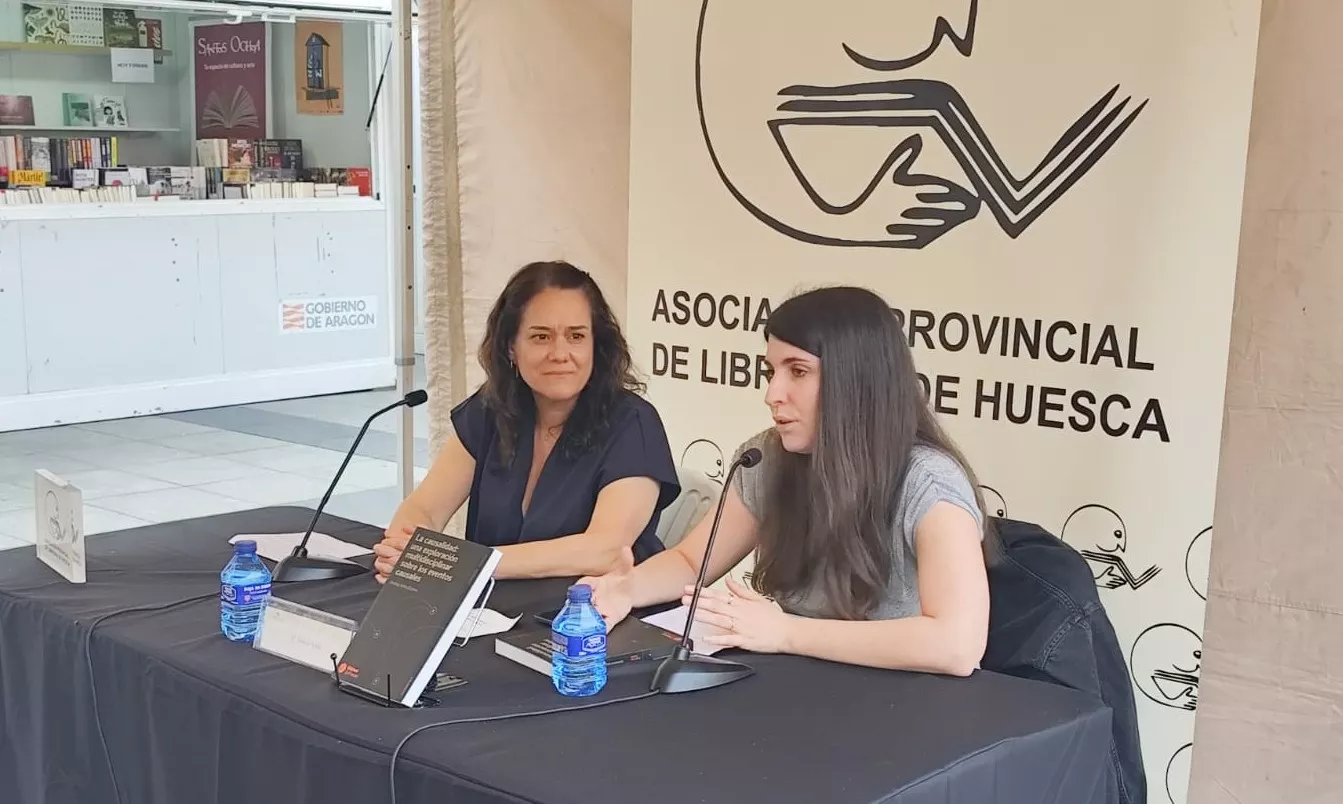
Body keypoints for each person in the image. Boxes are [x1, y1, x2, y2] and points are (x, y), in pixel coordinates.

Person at [580, 286, 996, 676]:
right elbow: (692, 562)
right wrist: (626, 589)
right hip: (798, 686)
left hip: (896, 708)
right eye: (771, 371)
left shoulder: (930, 481)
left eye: (797, 371)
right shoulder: (768, 456)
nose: (772, 392)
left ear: (856, 382)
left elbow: (957, 644)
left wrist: (784, 633)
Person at [373, 260, 682, 582]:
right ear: (511, 347)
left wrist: (459, 565)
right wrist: (404, 551)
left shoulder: (633, 423)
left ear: (596, 346)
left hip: (596, 620)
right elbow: (424, 508)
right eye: (541, 337)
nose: (560, 353)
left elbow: (604, 550)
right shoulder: (491, 408)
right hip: (489, 610)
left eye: (576, 336)